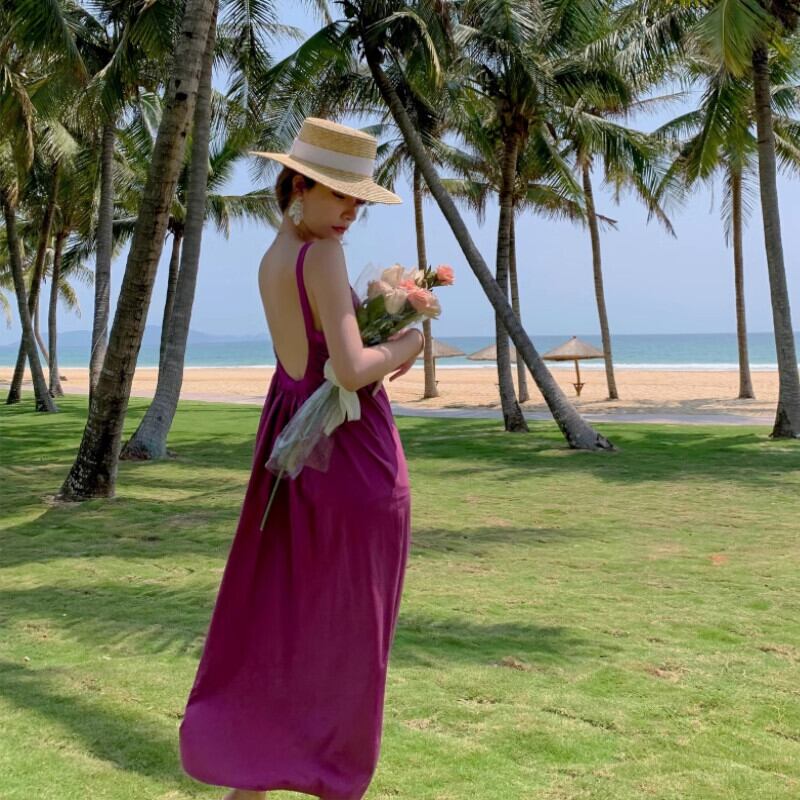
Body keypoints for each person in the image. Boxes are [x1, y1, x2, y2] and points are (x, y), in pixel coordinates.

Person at [178, 117, 425, 800]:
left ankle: (250, 780)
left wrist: (376, 331)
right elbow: (347, 370)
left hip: (292, 446)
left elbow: (310, 366)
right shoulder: (323, 255)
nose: (350, 212)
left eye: (357, 199)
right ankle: (331, 778)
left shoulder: (274, 256)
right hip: (351, 458)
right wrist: (409, 342)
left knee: (280, 617)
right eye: (339, 194)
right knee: (350, 634)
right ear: (297, 185)